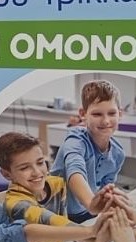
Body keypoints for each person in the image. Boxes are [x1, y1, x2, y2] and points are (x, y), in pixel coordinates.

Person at [0, 132, 88, 242]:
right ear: (7, 174)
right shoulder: (15, 204)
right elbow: (55, 222)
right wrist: (90, 232)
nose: (37, 172)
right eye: (25, 168)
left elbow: (61, 232)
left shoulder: (57, 184)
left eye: (40, 162)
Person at [54, 79, 127, 222]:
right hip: (59, 212)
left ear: (120, 113)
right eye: (97, 114)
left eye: (112, 113)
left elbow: (106, 188)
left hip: (87, 212)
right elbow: (75, 172)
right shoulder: (75, 140)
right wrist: (91, 204)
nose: (106, 121)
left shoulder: (118, 153)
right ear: (83, 114)